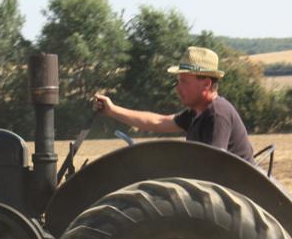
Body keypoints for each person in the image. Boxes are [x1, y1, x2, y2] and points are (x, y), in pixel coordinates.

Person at [93, 46, 256, 163]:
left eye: (183, 81)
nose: (177, 88)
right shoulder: (196, 113)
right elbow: (157, 122)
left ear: (206, 84)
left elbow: (211, 167)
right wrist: (112, 110)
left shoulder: (217, 114)